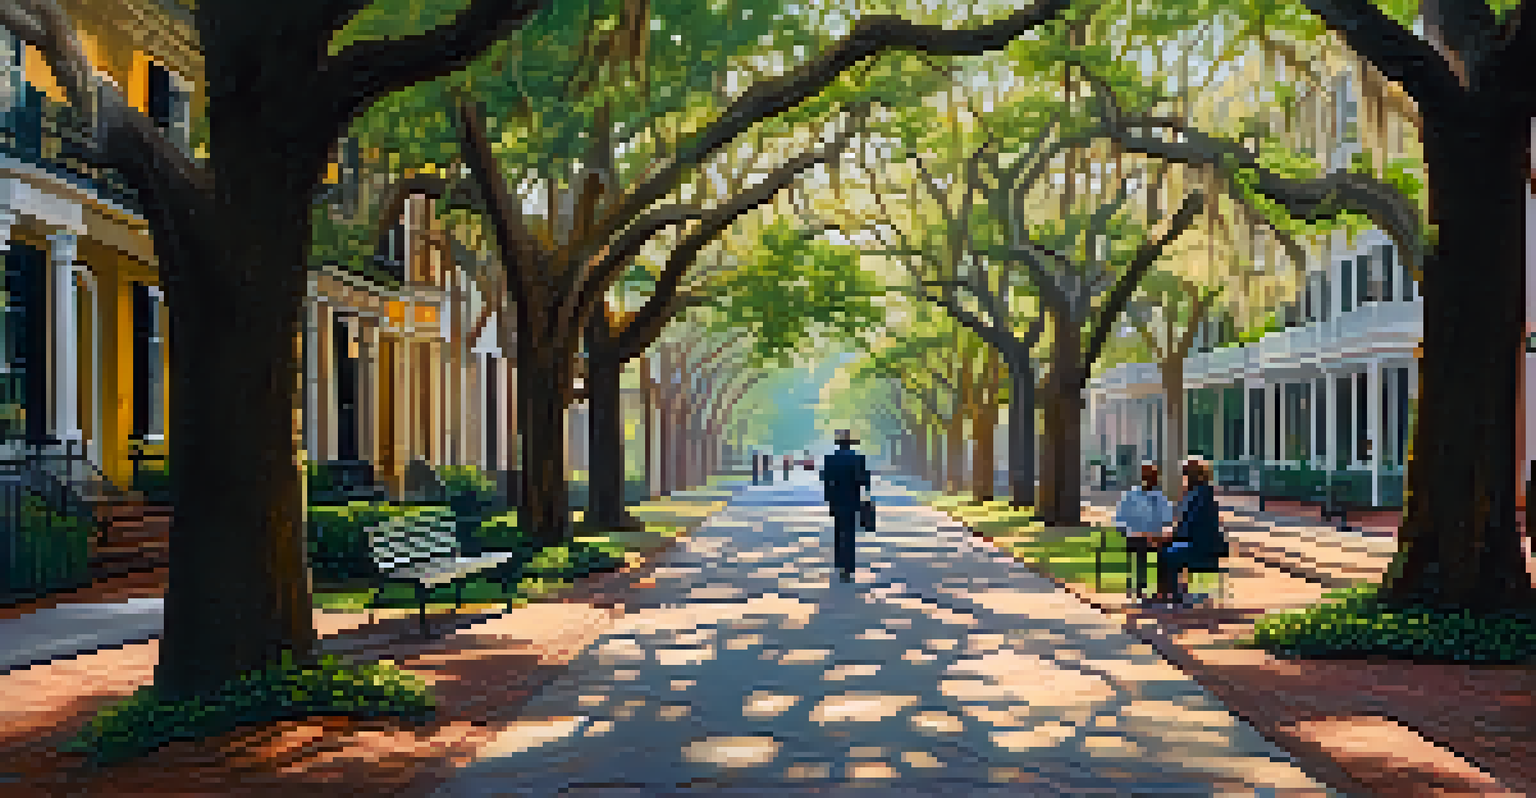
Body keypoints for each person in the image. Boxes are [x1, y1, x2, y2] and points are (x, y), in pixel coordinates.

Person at [1153, 457, 1228, 604]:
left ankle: (1172, 596)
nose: (1184, 476)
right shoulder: (1197, 492)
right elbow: (1187, 523)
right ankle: (1166, 593)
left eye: (1186, 472)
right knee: (1164, 548)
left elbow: (1192, 525)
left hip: (1202, 548)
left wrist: (1172, 534)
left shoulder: (1201, 494)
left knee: (1166, 553)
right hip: (1198, 542)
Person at [1112, 463, 1173, 598]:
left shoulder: (1161, 497)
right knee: (1141, 547)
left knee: (1170, 548)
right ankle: (1139, 590)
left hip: (1157, 538)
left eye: (1153, 476)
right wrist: (1137, 533)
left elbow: (1168, 521)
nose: (1151, 479)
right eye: (1148, 476)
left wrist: (1162, 534)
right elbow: (1119, 521)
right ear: (1142, 477)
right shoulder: (1130, 496)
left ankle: (1164, 589)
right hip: (1135, 537)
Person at [820, 429, 871, 582]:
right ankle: (848, 567)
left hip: (836, 500)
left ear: (838, 444)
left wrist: (829, 500)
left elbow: (826, 481)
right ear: (850, 444)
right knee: (849, 533)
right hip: (852, 499)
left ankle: (839, 562)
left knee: (838, 531)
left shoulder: (830, 459)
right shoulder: (858, 458)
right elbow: (864, 481)